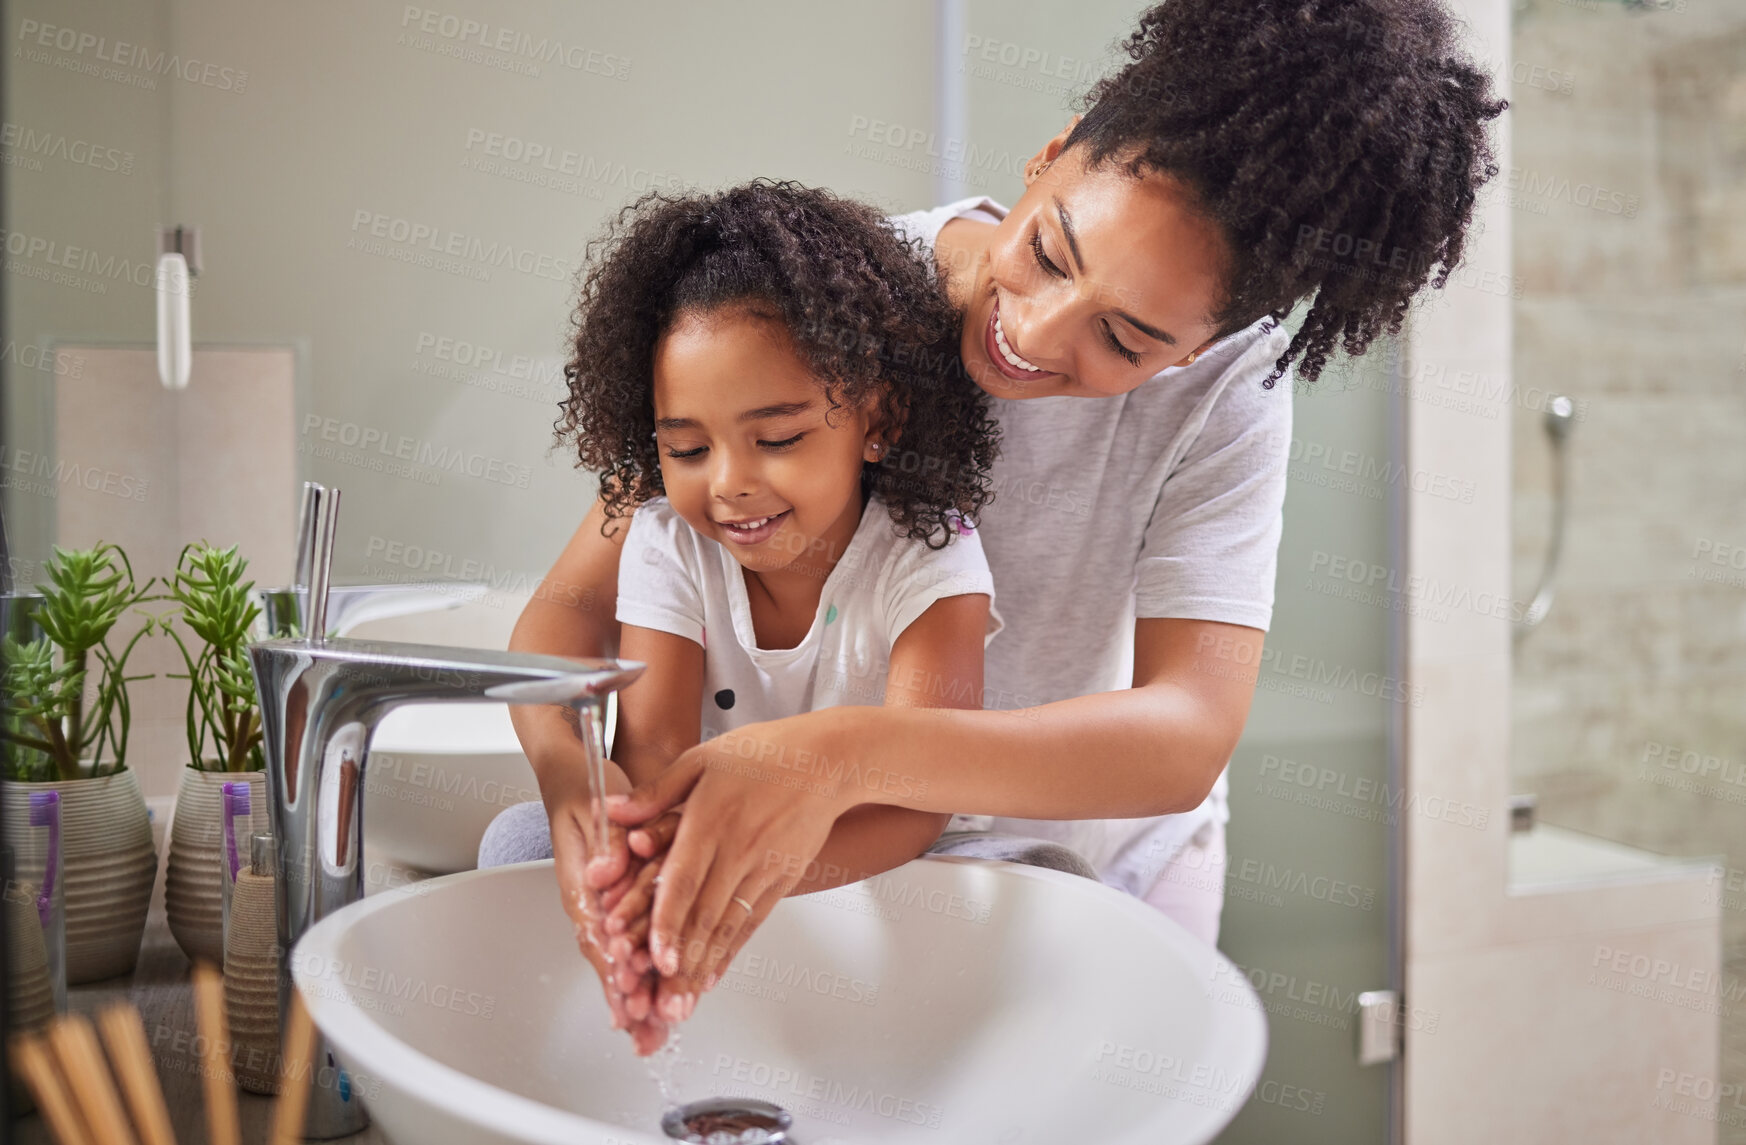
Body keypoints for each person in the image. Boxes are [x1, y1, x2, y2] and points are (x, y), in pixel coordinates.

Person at [487, 0, 1506, 1052]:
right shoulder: (834, 297)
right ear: (1048, 157)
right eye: (1051, 251)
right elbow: (567, 612)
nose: (1032, 331)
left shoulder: (1227, 398)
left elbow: (1186, 733)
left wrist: (846, 754)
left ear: (1204, 346)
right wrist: (576, 789)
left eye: (1125, 337)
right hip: (847, 853)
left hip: (1092, 867)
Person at [486, 180, 1009, 1052]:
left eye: (777, 438)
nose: (728, 482)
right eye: (686, 448)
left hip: (889, 859)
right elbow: (649, 752)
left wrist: (742, 878)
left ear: (877, 419)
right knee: (514, 845)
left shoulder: (931, 556)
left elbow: (921, 799)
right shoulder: (668, 541)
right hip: (710, 839)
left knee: (1045, 878)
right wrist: (644, 878)